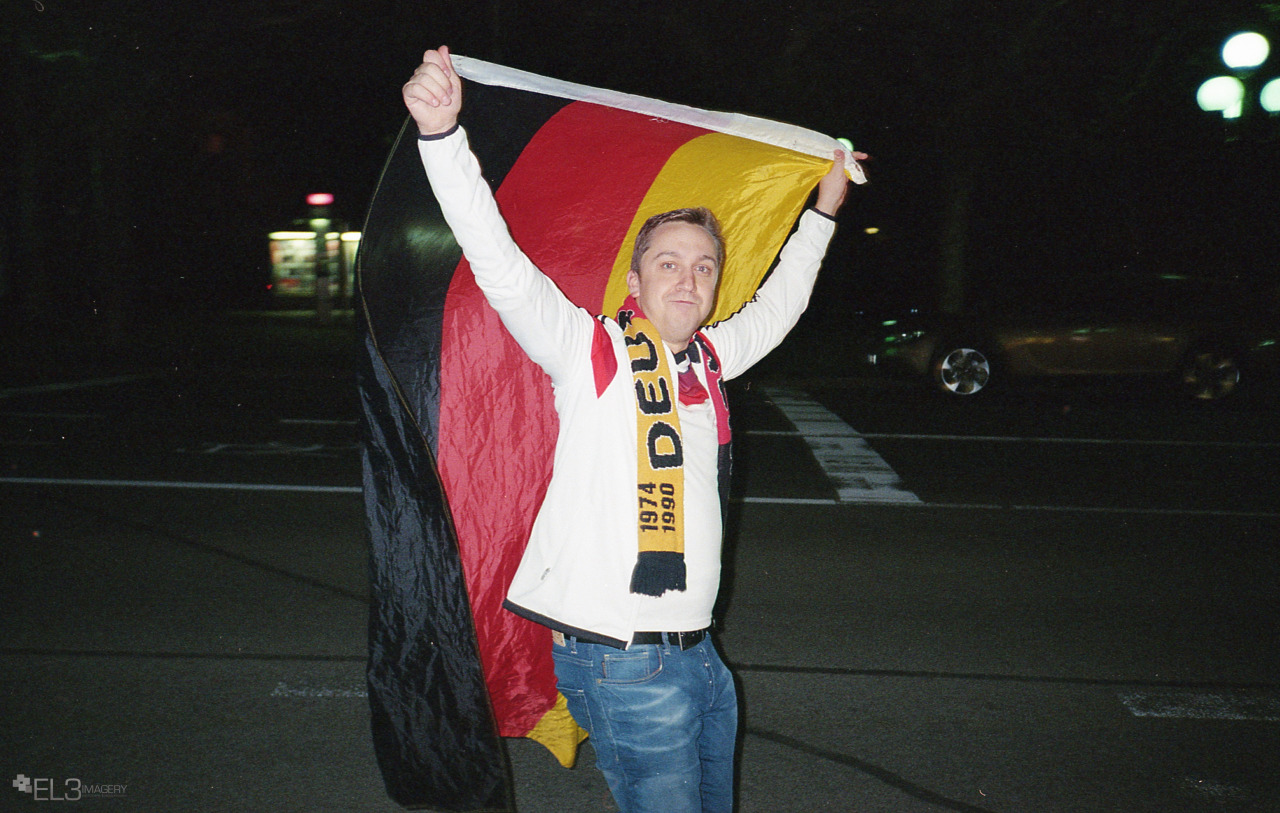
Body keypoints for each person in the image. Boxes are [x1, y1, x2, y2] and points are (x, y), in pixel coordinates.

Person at [403, 46, 859, 813]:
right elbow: (499, 261)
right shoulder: (591, 353)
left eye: (705, 266)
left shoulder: (710, 359)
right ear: (636, 284)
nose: (689, 278)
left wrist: (822, 211)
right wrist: (444, 139)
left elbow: (780, 308)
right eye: (670, 263)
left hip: (702, 656)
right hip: (623, 661)